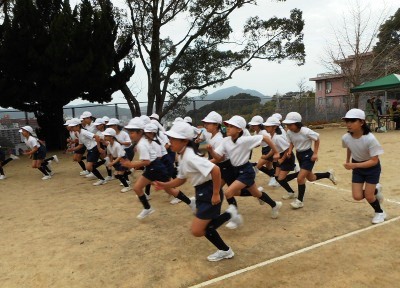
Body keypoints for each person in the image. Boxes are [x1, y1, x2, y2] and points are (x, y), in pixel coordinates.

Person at [154, 121, 239, 262]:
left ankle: (230, 215)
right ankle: (225, 248)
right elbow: (181, 179)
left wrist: (216, 193)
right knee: (205, 228)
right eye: (170, 138)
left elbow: (215, 169)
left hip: (208, 191)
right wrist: (165, 184)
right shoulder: (181, 155)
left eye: (173, 139)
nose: (170, 142)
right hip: (201, 191)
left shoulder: (189, 157)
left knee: (198, 230)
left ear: (184, 141)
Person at [211, 115, 283, 224]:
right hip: (235, 170)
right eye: (227, 126)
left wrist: (276, 152)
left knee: (228, 192)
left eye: (231, 126)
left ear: (239, 129)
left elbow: (266, 138)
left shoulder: (245, 140)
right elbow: (218, 157)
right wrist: (210, 151)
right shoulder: (225, 141)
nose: (228, 128)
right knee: (256, 193)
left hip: (246, 171)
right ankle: (275, 205)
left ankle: (234, 217)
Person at [121, 118, 195, 219]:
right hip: (152, 168)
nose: (130, 135)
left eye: (132, 132)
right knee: (137, 188)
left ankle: (191, 203)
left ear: (140, 132)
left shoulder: (142, 144)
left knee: (170, 190)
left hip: (156, 168)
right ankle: (147, 208)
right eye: (129, 132)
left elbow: (147, 161)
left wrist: (131, 165)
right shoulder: (142, 141)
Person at [282, 112, 337, 209]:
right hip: (299, 155)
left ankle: (299, 201)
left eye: (290, 125)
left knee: (300, 178)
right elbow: (291, 142)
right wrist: (290, 151)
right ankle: (328, 174)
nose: (288, 127)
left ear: (297, 123)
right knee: (311, 178)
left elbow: (317, 139)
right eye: (287, 125)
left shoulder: (305, 131)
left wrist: (315, 153)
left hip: (308, 155)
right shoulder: (289, 132)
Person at [341, 108, 386, 224]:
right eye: (347, 121)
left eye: (352, 121)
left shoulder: (370, 139)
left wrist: (354, 165)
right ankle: (376, 190)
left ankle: (380, 212)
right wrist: (347, 161)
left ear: (362, 122)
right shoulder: (346, 137)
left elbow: (374, 161)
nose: (348, 124)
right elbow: (349, 147)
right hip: (357, 168)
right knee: (357, 196)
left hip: (372, 169)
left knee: (369, 196)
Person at [263, 116, 299, 200]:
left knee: (280, 179)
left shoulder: (277, 137)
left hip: (287, 158)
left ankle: (293, 189)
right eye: (266, 126)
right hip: (281, 158)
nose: (266, 128)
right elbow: (274, 149)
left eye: (268, 126)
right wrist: (267, 156)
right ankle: (292, 190)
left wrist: (281, 160)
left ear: (275, 127)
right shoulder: (272, 136)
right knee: (277, 177)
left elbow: (287, 149)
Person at [67, 119, 107, 186]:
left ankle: (102, 178)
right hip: (90, 150)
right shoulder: (79, 133)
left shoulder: (84, 132)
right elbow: (81, 145)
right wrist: (72, 149)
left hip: (94, 148)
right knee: (89, 167)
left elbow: (96, 137)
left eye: (73, 126)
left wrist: (99, 148)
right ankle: (102, 174)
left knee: (89, 167)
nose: (71, 128)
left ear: (78, 126)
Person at [102, 128, 131, 192]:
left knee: (119, 174)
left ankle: (127, 186)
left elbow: (120, 156)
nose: (105, 137)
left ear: (111, 137)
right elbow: (110, 154)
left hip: (122, 159)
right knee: (117, 175)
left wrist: (112, 163)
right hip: (116, 159)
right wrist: (111, 161)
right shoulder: (109, 145)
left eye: (106, 136)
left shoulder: (117, 145)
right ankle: (129, 171)